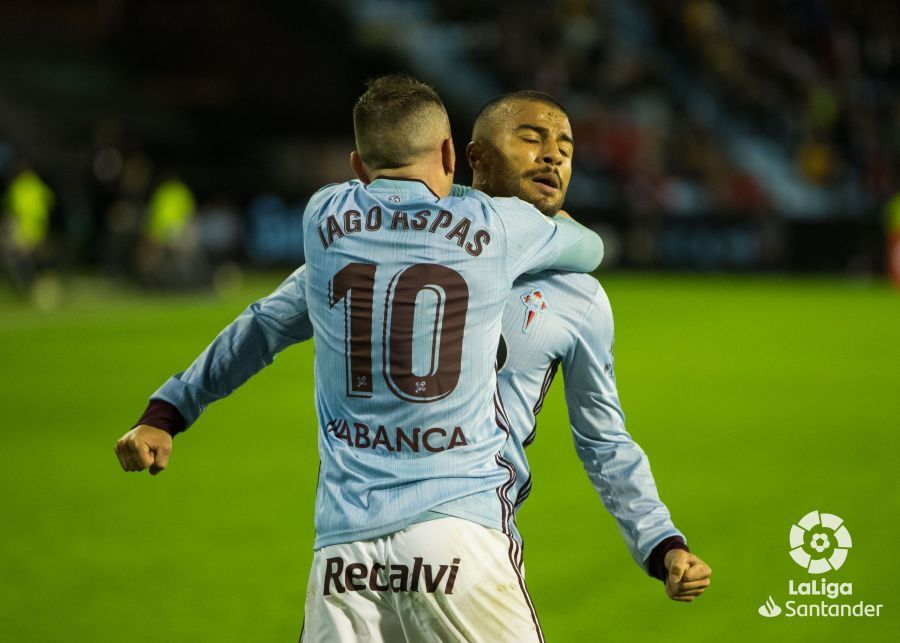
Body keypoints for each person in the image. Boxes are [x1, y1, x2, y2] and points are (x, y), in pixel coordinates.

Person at [116, 76, 604, 642]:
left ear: (356, 165)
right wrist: (538, 226)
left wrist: (166, 413)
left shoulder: (324, 221)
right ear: (451, 155)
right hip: (458, 533)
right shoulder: (497, 226)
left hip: (346, 557)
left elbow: (263, 325)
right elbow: (591, 248)